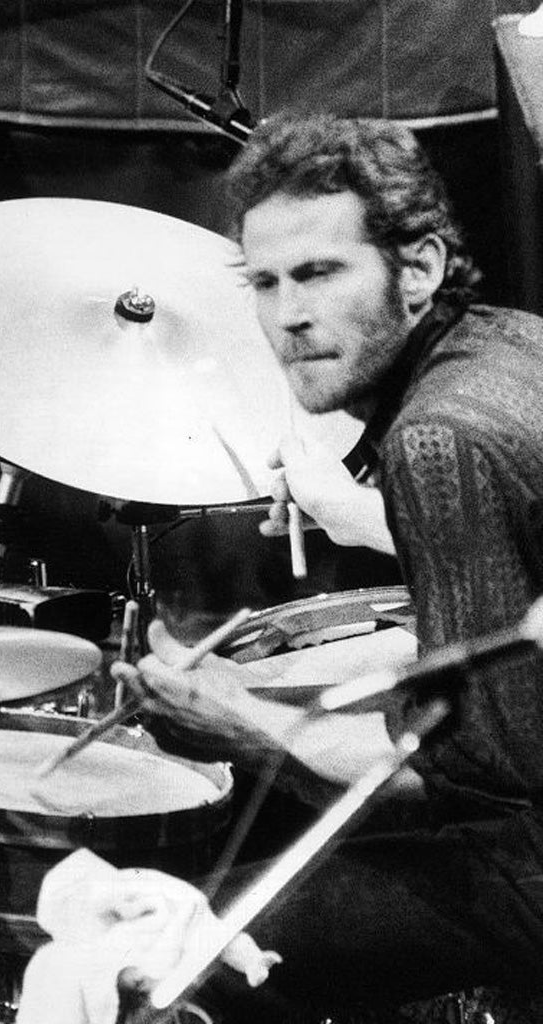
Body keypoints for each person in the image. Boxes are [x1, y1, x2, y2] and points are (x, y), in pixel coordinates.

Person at [113, 113, 543, 1021]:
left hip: (529, 876)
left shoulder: (438, 440)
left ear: (418, 270)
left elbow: (473, 798)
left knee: (179, 957)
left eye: (319, 273)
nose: (287, 318)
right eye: (263, 283)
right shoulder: (512, 344)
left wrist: (247, 717)